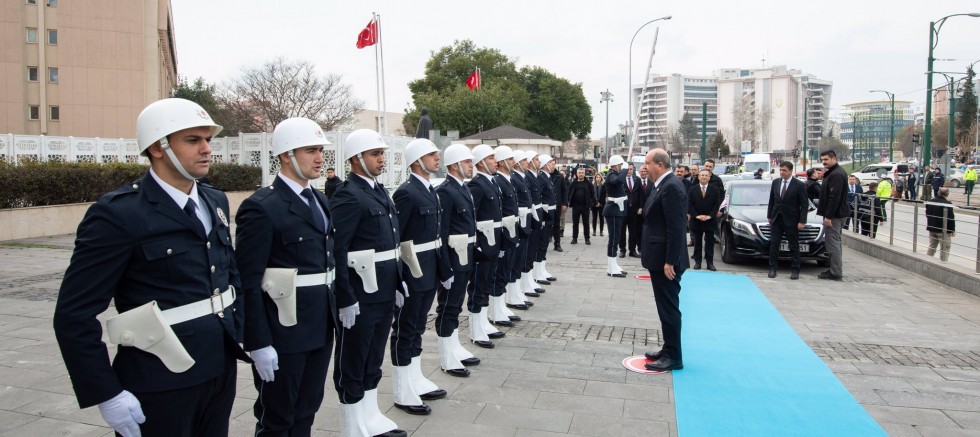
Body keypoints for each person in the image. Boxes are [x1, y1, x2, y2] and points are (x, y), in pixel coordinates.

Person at [53, 98, 249, 436]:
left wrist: (243, 333)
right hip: (159, 377)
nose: (206, 149)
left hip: (218, 367)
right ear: (158, 147)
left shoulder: (213, 200)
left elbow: (228, 275)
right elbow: (74, 314)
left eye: (208, 140)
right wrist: (106, 393)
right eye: (192, 140)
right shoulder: (119, 214)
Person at [234, 117, 337, 435]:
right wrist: (258, 342)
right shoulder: (262, 207)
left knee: (307, 410)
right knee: (278, 417)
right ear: (285, 155)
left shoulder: (320, 200)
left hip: (320, 326)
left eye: (320, 149)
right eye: (311, 150)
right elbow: (247, 281)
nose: (320, 157)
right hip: (284, 331)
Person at [330, 129, 407, 437]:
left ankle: (370, 415)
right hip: (361, 294)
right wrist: (345, 298)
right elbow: (338, 250)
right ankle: (353, 425)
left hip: (383, 290)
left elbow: (391, 245)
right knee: (354, 358)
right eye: (375, 154)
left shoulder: (378, 190)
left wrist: (398, 284)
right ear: (357, 159)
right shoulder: (348, 195)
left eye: (381, 154)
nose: (381, 159)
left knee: (373, 357)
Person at [389, 138, 455, 415]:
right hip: (413, 271)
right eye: (431, 155)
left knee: (417, 328)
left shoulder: (430, 190)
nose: (437, 158)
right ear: (417, 161)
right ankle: (402, 389)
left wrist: (444, 269)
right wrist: (399, 277)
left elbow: (436, 236)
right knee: (405, 329)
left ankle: (414, 377)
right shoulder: (406, 193)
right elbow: (396, 239)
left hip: (429, 269)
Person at [434, 144, 481, 378]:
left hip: (465, 254)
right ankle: (446, 357)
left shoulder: (461, 188)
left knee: (456, 306)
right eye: (467, 162)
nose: (471, 165)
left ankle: (454, 346)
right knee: (448, 307)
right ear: (454, 165)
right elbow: (441, 233)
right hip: (453, 257)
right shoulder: (446, 191)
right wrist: (444, 267)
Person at [640, 149, 689, 372]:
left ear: (659, 165)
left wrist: (670, 260)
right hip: (658, 257)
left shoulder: (671, 186)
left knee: (669, 309)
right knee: (664, 308)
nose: (644, 167)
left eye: (647, 163)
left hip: (666, 261)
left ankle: (674, 357)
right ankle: (668, 348)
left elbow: (676, 228)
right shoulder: (661, 184)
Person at [467, 144, 505, 347]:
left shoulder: (492, 183)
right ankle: (475, 330)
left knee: (486, 284)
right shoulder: (477, 185)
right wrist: (477, 245)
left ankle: (483, 323)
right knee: (478, 287)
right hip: (483, 244)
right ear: (481, 162)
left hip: (493, 242)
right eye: (491, 158)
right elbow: (471, 218)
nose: (495, 161)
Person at [488, 145, 522, 328]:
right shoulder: (499, 181)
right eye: (509, 159)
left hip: (510, 231)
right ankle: (495, 311)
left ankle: (500, 307)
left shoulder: (506, 180)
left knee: (504, 272)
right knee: (498, 274)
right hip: (501, 233)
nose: (513, 162)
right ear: (500, 162)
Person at [766, 161, 808, 280]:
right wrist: (769, 216)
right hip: (777, 219)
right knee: (774, 244)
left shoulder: (799, 185)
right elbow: (772, 201)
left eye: (784, 170)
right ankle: (772, 268)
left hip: (792, 220)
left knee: (793, 245)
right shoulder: (775, 183)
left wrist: (802, 221)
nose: (782, 172)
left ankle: (795, 269)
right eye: (780, 170)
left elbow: (804, 204)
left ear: (790, 171)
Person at [816, 150, 849, 281]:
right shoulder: (834, 172)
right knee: (835, 242)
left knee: (832, 243)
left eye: (826, 160)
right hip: (836, 214)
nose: (823, 162)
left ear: (834, 158)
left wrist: (828, 216)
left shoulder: (836, 174)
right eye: (822, 160)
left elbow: (834, 197)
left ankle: (835, 272)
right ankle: (835, 269)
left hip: (835, 216)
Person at [533, 154, 559, 283]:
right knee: (541, 243)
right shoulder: (541, 177)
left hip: (550, 213)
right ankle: (538, 271)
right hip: (545, 213)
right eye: (551, 163)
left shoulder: (547, 177)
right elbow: (540, 198)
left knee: (544, 244)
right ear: (544, 164)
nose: (554, 165)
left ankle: (542, 269)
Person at [688, 169, 721, 271]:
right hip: (697, 220)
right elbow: (689, 204)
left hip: (710, 220)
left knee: (710, 243)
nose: (704, 177)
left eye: (706, 175)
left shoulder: (714, 190)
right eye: (702, 175)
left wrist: (710, 216)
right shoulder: (692, 189)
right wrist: (696, 215)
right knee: (697, 242)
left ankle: (709, 263)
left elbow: (716, 205)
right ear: (698, 177)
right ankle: (698, 262)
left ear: (709, 178)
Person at [602, 155, 629, 277]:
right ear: (617, 165)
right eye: (621, 165)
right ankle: (611, 267)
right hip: (613, 211)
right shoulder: (611, 175)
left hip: (617, 210)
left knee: (616, 238)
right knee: (613, 239)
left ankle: (614, 264)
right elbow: (619, 181)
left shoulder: (615, 174)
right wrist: (625, 169)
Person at [926, 187, 956, 262]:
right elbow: (950, 218)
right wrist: (952, 229)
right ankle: (943, 262)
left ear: (938, 193)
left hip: (932, 228)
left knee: (932, 246)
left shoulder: (930, 201)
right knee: (945, 248)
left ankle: (927, 261)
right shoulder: (948, 204)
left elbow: (927, 214)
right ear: (947, 194)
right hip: (942, 230)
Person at [625, 164, 648, 258]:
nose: (629, 171)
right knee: (622, 231)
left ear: (633, 170)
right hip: (623, 209)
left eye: (631, 169)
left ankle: (632, 250)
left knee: (633, 231)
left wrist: (640, 207)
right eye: (627, 169)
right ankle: (622, 249)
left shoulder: (637, 180)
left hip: (634, 210)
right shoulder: (621, 180)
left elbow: (641, 195)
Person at [567, 167, 595, 245]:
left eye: (582, 173)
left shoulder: (588, 183)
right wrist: (568, 201)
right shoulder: (573, 183)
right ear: (577, 173)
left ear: (584, 173)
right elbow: (569, 193)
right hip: (576, 206)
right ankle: (574, 238)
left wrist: (592, 202)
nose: (581, 174)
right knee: (575, 223)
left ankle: (587, 239)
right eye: (579, 173)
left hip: (585, 206)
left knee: (586, 223)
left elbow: (592, 193)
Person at [550, 160, 569, 252]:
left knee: (556, 224)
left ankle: (557, 243)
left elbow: (564, 190)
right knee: (547, 224)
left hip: (557, 204)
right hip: (547, 204)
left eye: (554, 164)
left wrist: (565, 203)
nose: (553, 166)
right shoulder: (543, 176)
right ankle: (546, 240)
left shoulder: (559, 176)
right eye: (551, 164)